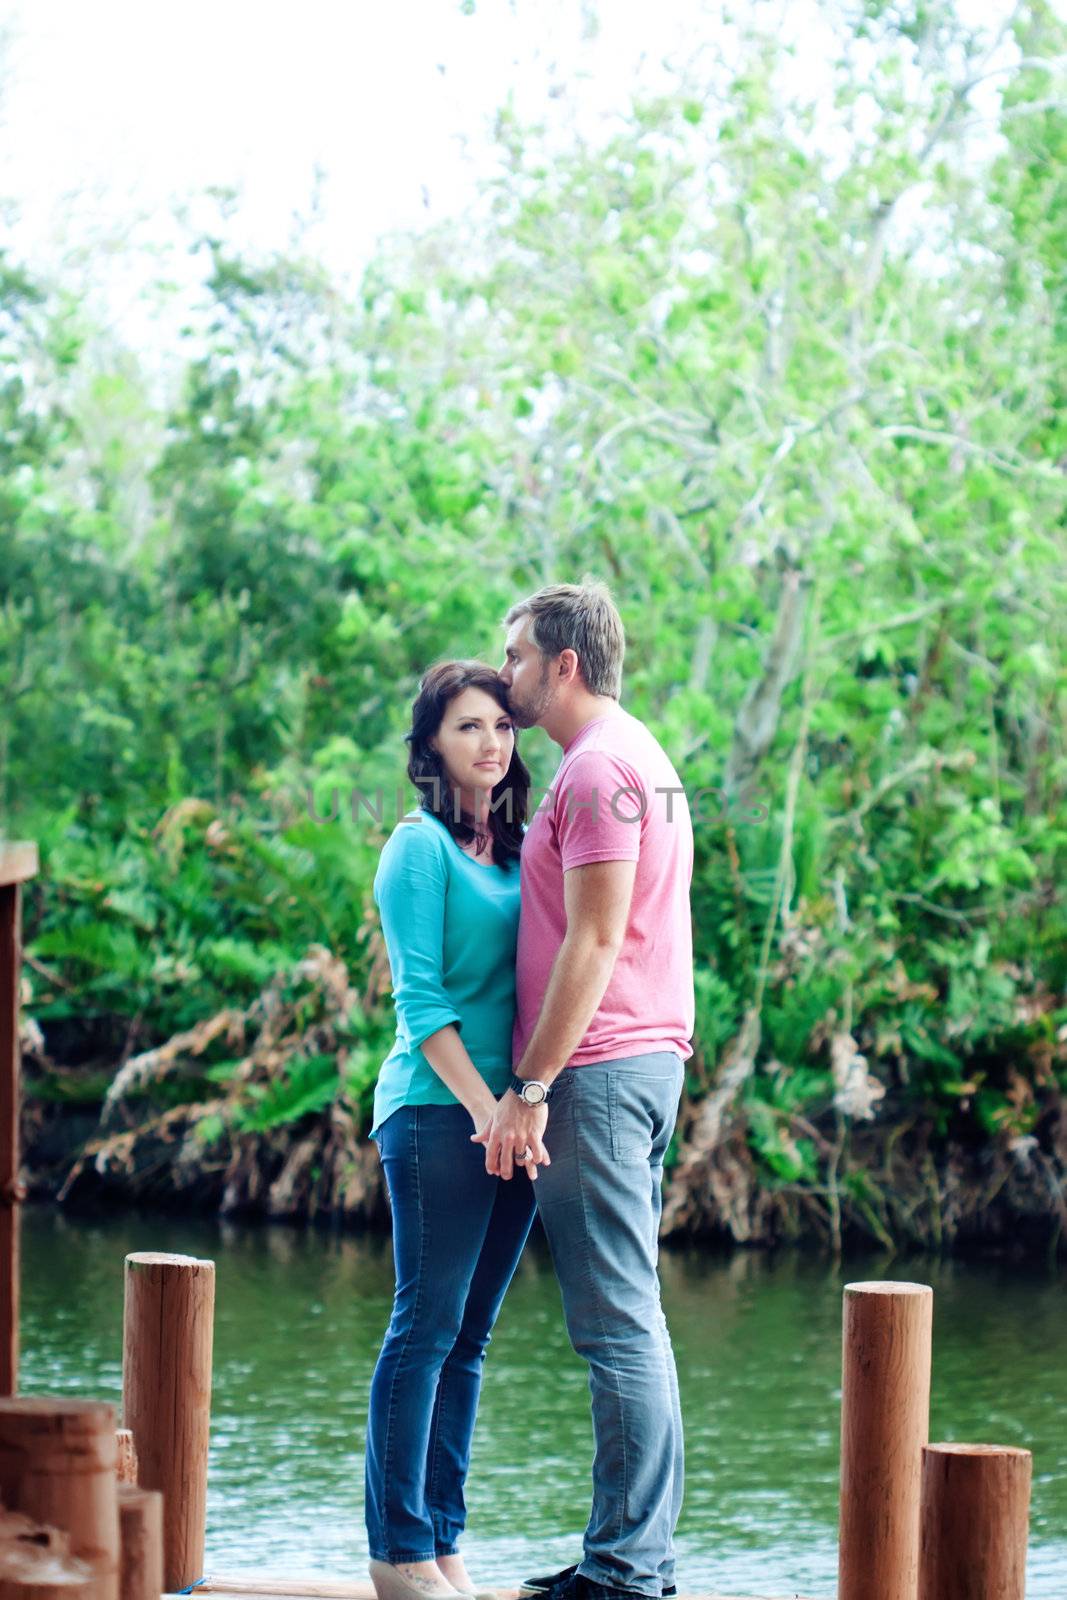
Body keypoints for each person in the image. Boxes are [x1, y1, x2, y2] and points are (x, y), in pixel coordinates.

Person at [473, 580, 694, 1600]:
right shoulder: (632, 756)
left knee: (614, 1325)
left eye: (514, 656)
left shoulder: (601, 766)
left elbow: (595, 940)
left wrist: (529, 1084)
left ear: (562, 663)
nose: (504, 672)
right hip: (631, 1065)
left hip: (599, 1073)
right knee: (627, 1318)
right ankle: (628, 1555)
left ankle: (620, 1574)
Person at [364, 660, 544, 1600]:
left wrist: (523, 1107)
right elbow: (423, 1001)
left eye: (503, 728)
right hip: (438, 1114)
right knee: (423, 1331)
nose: (491, 743)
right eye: (469, 726)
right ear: (432, 742)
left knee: (468, 1340)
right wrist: (487, 1112)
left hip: (511, 1119)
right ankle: (397, 1555)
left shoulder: (514, 853)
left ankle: (441, 1540)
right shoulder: (417, 847)